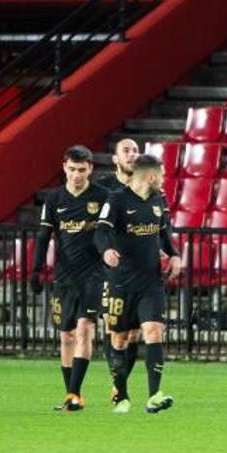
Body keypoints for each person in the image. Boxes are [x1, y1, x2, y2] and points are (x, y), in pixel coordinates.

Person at [94, 154, 182, 414]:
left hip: (151, 281)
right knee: (120, 339)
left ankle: (155, 395)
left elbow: (164, 231)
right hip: (121, 282)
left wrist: (174, 254)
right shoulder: (118, 199)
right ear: (151, 176)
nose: (164, 180)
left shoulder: (159, 199)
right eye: (162, 175)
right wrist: (106, 251)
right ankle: (120, 394)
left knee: (154, 330)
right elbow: (101, 230)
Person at [31, 145, 109, 411]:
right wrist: (35, 269)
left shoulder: (103, 197)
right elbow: (43, 236)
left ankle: (75, 393)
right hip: (64, 277)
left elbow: (115, 233)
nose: (77, 175)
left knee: (85, 328)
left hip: (93, 275)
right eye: (72, 169)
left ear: (90, 170)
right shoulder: (54, 200)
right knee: (66, 336)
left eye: (82, 170)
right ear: (64, 167)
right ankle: (70, 395)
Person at [98, 138, 141, 399]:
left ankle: (120, 382)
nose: (132, 154)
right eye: (126, 150)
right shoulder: (103, 189)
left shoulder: (146, 186)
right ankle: (117, 384)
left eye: (135, 150)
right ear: (115, 159)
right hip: (110, 270)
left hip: (139, 269)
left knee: (134, 333)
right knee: (113, 327)